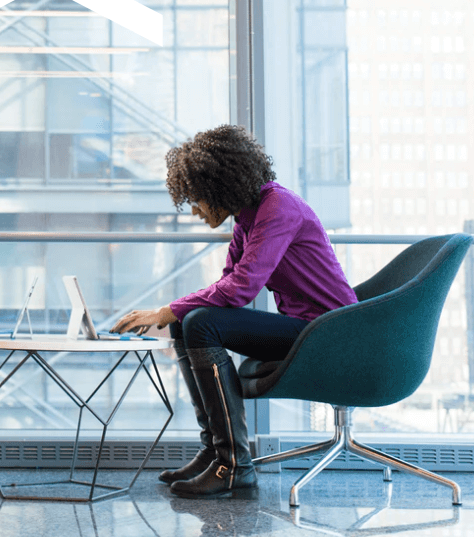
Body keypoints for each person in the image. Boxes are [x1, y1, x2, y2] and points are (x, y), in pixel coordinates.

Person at [110, 124, 357, 499]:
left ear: (219, 189)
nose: (193, 210)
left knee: (198, 321)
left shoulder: (278, 208)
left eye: (196, 199)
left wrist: (165, 310)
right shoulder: (249, 218)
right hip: (305, 327)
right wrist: (171, 314)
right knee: (189, 322)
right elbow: (227, 282)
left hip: (330, 332)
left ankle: (234, 465)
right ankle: (215, 452)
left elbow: (242, 289)